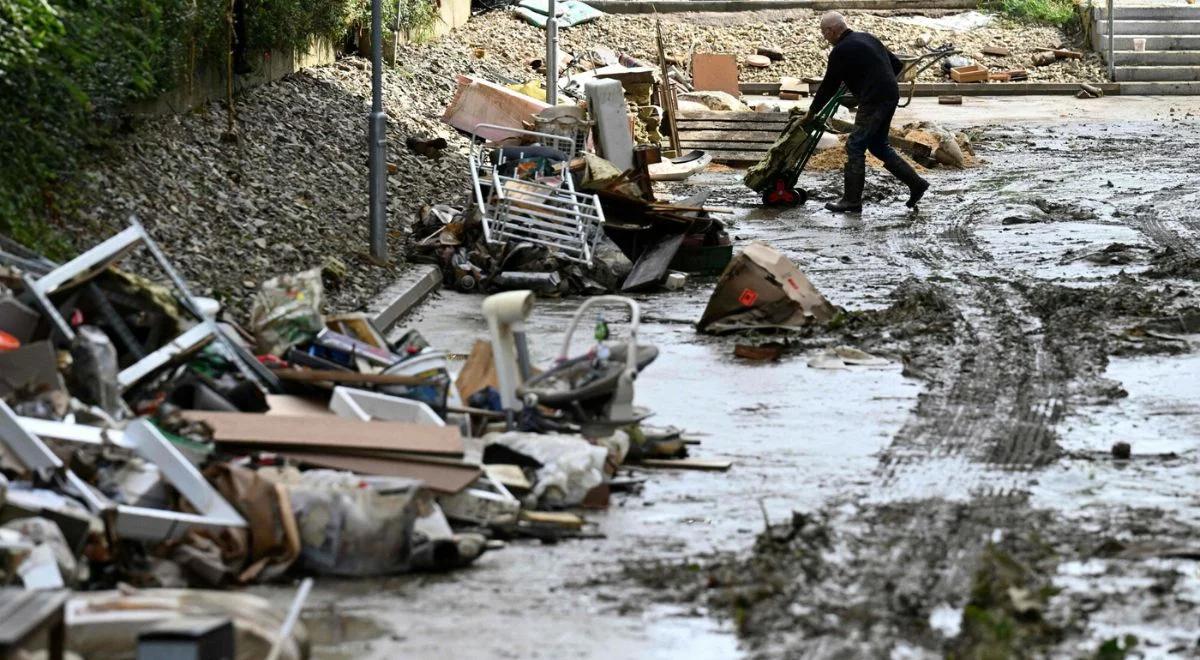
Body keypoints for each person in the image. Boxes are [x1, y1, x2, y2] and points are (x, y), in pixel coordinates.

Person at [803, 12, 929, 213]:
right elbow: (896, 64)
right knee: (878, 145)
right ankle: (916, 184)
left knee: (855, 145)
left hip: (874, 99)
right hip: (889, 94)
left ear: (832, 31)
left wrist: (811, 113)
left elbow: (828, 86)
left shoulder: (840, 51)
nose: (824, 38)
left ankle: (851, 201)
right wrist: (874, 79)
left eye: (824, 33)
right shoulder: (867, 37)